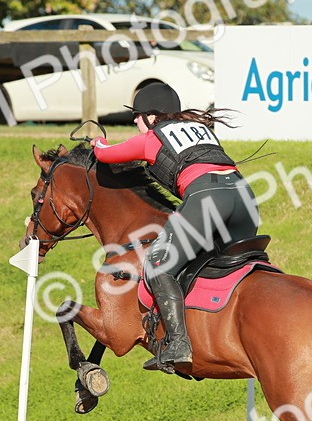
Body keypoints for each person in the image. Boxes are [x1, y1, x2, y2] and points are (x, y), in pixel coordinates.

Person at [89, 83, 259, 374]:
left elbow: (107, 155)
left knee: (158, 264)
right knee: (219, 267)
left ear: (152, 118)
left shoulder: (152, 138)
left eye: (138, 116)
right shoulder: (199, 128)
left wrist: (96, 144)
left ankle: (178, 343)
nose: (134, 121)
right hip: (245, 199)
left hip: (208, 198)